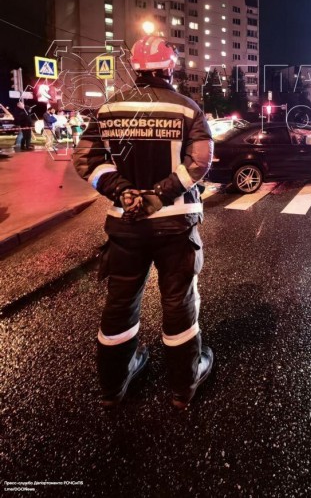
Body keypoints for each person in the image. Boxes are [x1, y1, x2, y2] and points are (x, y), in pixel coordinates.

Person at [73, 36, 214, 410]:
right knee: (178, 303)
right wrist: (160, 195)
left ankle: (113, 385)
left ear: (135, 69)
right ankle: (184, 385)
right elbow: (199, 163)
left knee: (120, 304)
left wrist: (122, 192)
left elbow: (87, 160)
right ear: (169, 69)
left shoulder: (108, 109)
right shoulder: (187, 108)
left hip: (126, 225)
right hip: (175, 226)